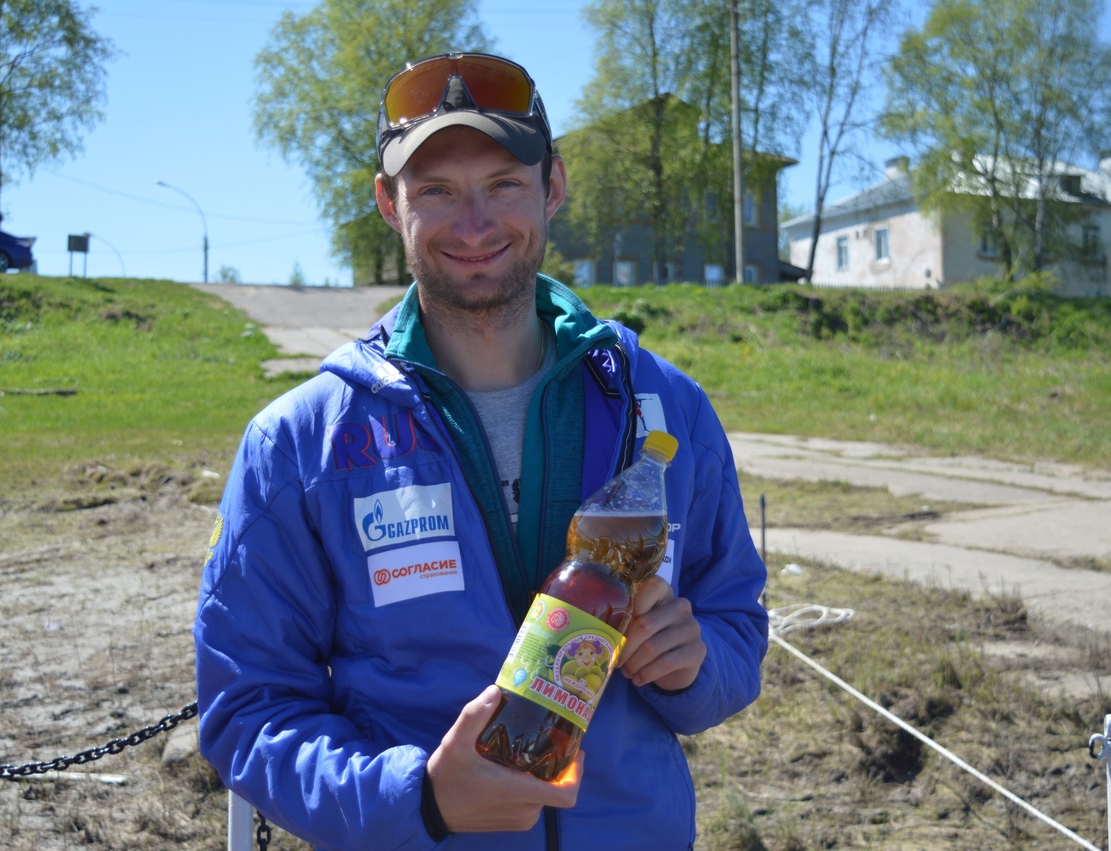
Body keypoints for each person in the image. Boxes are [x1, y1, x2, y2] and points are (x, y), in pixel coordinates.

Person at [194, 52, 769, 851]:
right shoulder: (299, 445)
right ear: (388, 206)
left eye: (502, 183)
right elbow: (248, 710)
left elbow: (738, 620)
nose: (473, 224)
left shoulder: (666, 410)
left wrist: (696, 664)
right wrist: (421, 799)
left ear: (554, 188)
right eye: (436, 191)